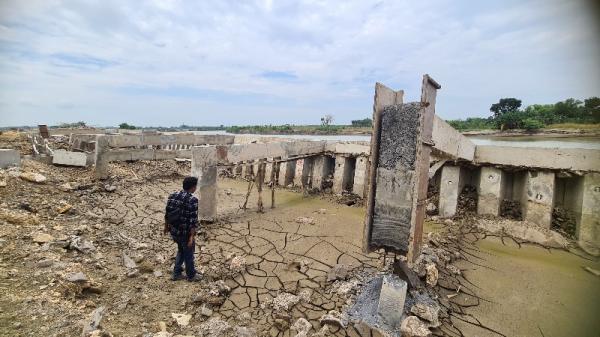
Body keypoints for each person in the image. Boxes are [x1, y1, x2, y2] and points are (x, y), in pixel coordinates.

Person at [164, 176, 201, 282]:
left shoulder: (172, 195)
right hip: (184, 233)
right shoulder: (193, 200)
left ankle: (176, 273)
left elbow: (167, 213)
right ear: (193, 187)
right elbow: (193, 221)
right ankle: (191, 275)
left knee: (181, 250)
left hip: (174, 231)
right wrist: (191, 238)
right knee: (189, 254)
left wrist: (166, 227)